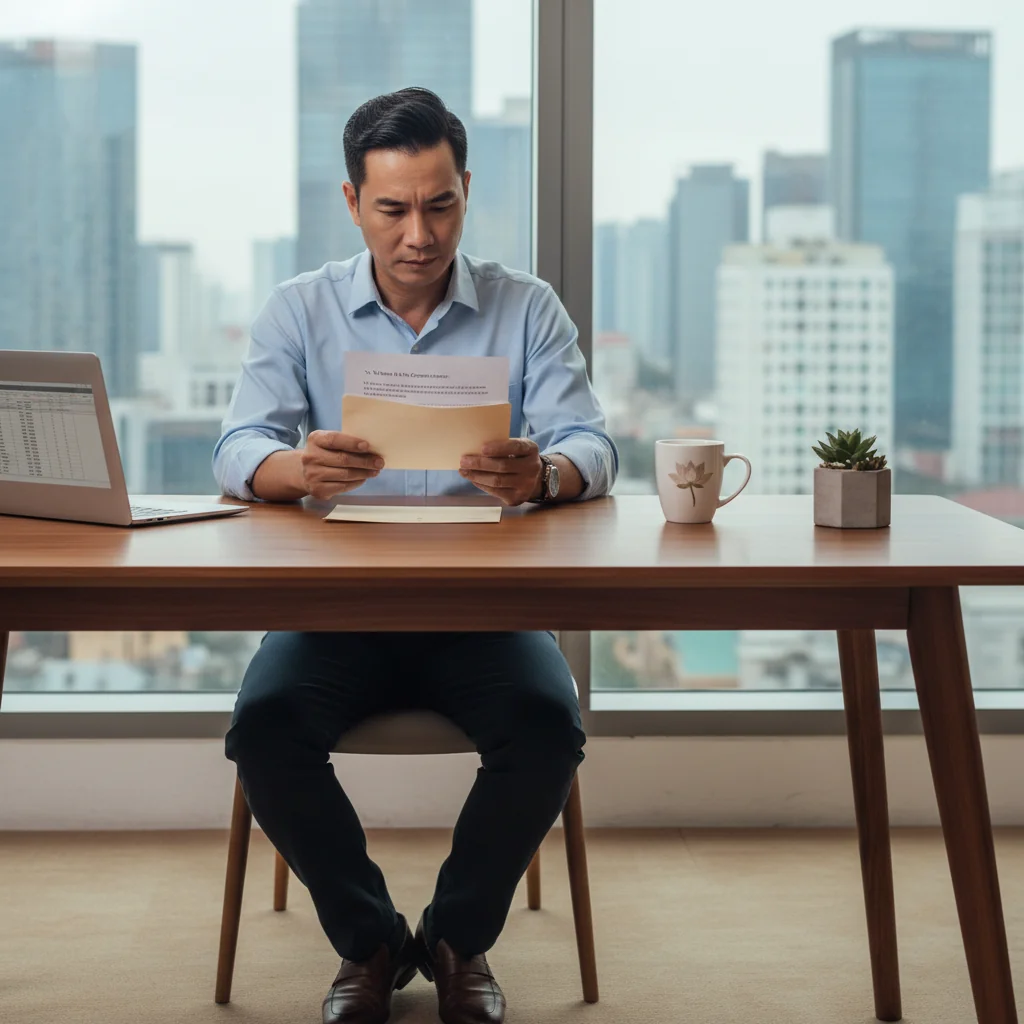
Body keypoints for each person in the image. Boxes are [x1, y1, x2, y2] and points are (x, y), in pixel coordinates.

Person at [213, 87, 618, 1024]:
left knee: (547, 730)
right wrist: (294, 467)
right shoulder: (299, 309)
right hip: (338, 608)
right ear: (353, 202)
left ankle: (455, 938)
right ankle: (370, 943)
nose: (420, 236)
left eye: (441, 205)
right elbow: (237, 446)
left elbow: (592, 446)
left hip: (485, 608)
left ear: (466, 189)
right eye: (394, 208)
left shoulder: (527, 307)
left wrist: (544, 474)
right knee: (264, 730)